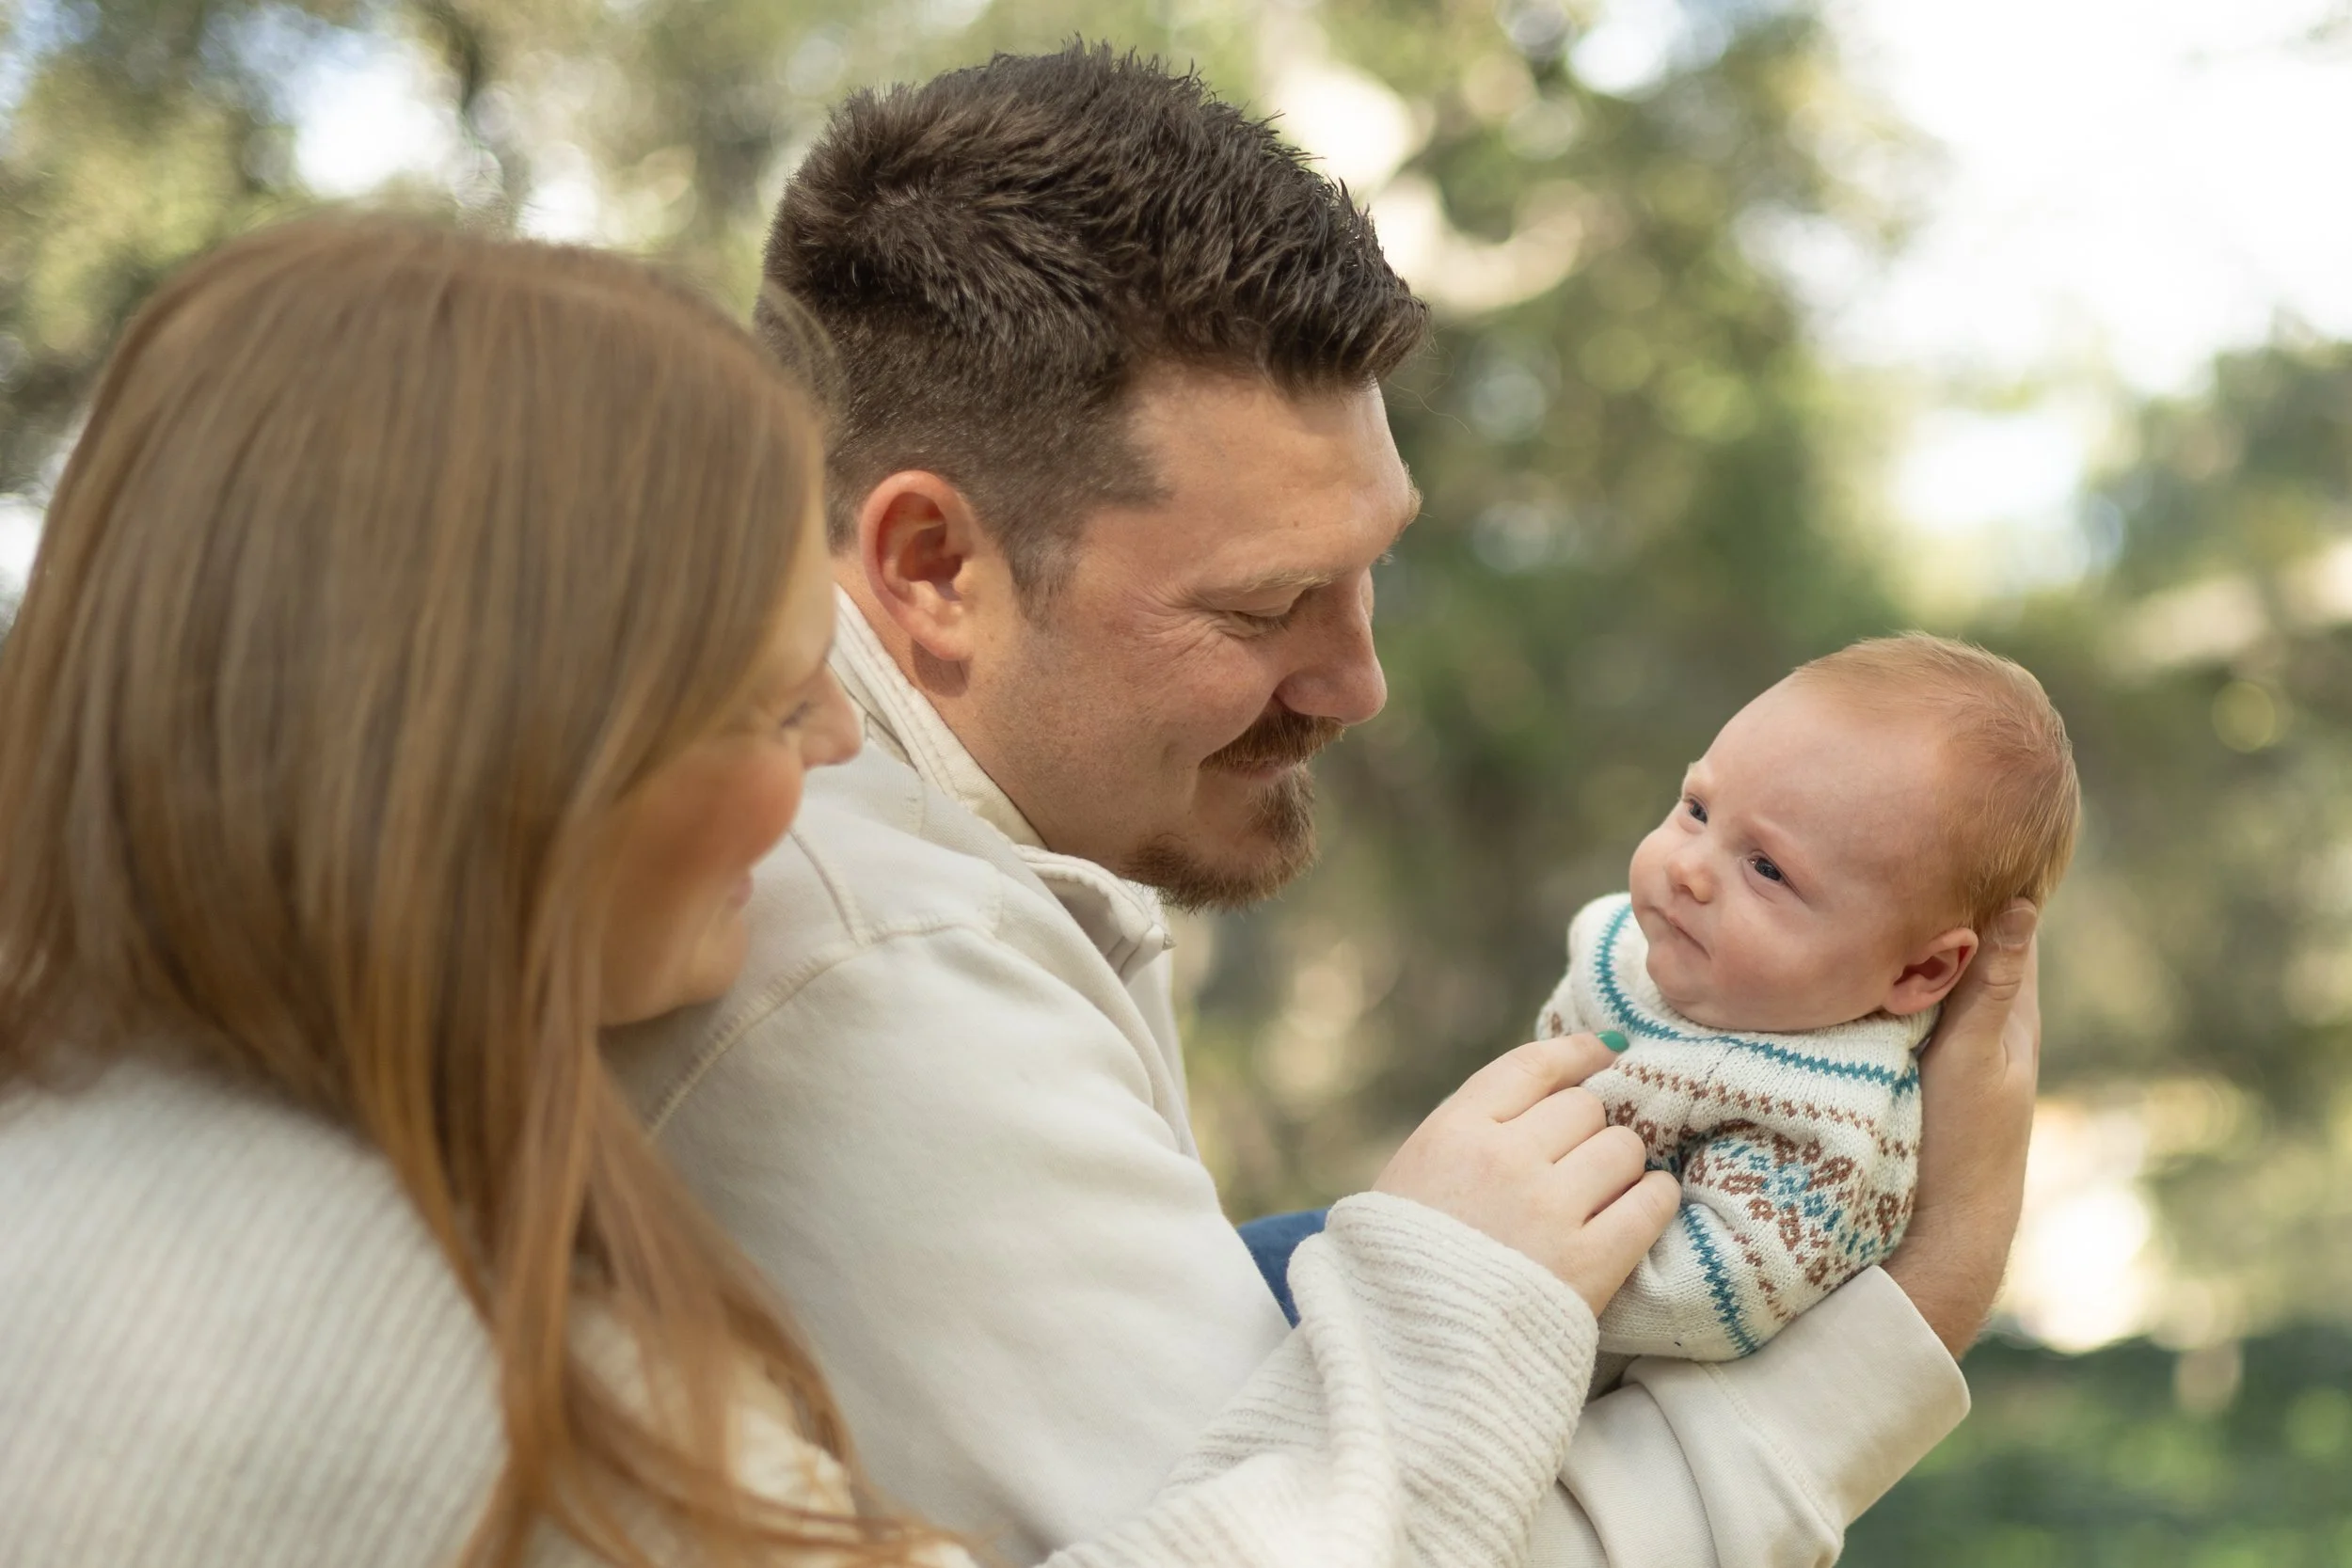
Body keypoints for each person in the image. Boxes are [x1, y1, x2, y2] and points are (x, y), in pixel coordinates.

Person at [0, 220, 1669, 1566]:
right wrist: (1460, 1316)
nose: (824, 742)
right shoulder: (521, 1413)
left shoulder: (98, 1136)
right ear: (499, 759)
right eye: (749, 696)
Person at [614, 43, 2042, 1568]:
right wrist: (1919, 1302)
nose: (1360, 680)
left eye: (1372, 567)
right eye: (1269, 604)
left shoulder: (943, 841)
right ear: (932, 568)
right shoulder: (867, 968)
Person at [1534, 634, 2079, 1361]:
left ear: (1918, 972)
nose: (1690, 867)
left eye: (1766, 867)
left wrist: (1513, 1260)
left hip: (1567, 1378)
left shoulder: (1828, 1111)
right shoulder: (1638, 940)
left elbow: (1710, 1297)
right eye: (1696, 808)